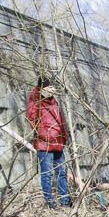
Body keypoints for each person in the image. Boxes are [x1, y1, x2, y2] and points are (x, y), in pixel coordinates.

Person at [28, 77, 71, 207]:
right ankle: (51, 202)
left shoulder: (54, 102)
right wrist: (45, 135)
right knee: (47, 173)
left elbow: (60, 120)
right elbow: (32, 119)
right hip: (44, 143)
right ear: (42, 88)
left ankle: (65, 200)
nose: (52, 90)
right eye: (49, 87)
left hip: (58, 142)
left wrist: (65, 136)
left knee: (62, 172)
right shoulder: (35, 100)